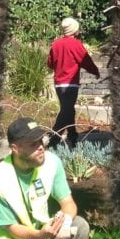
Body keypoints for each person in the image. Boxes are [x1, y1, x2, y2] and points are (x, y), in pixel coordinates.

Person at [47, 17, 100, 148]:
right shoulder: (76, 44)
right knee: (66, 110)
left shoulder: (56, 44)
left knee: (68, 109)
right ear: (74, 30)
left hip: (59, 84)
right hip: (71, 84)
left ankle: (72, 137)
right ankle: (53, 139)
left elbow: (50, 63)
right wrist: (95, 71)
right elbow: (85, 60)